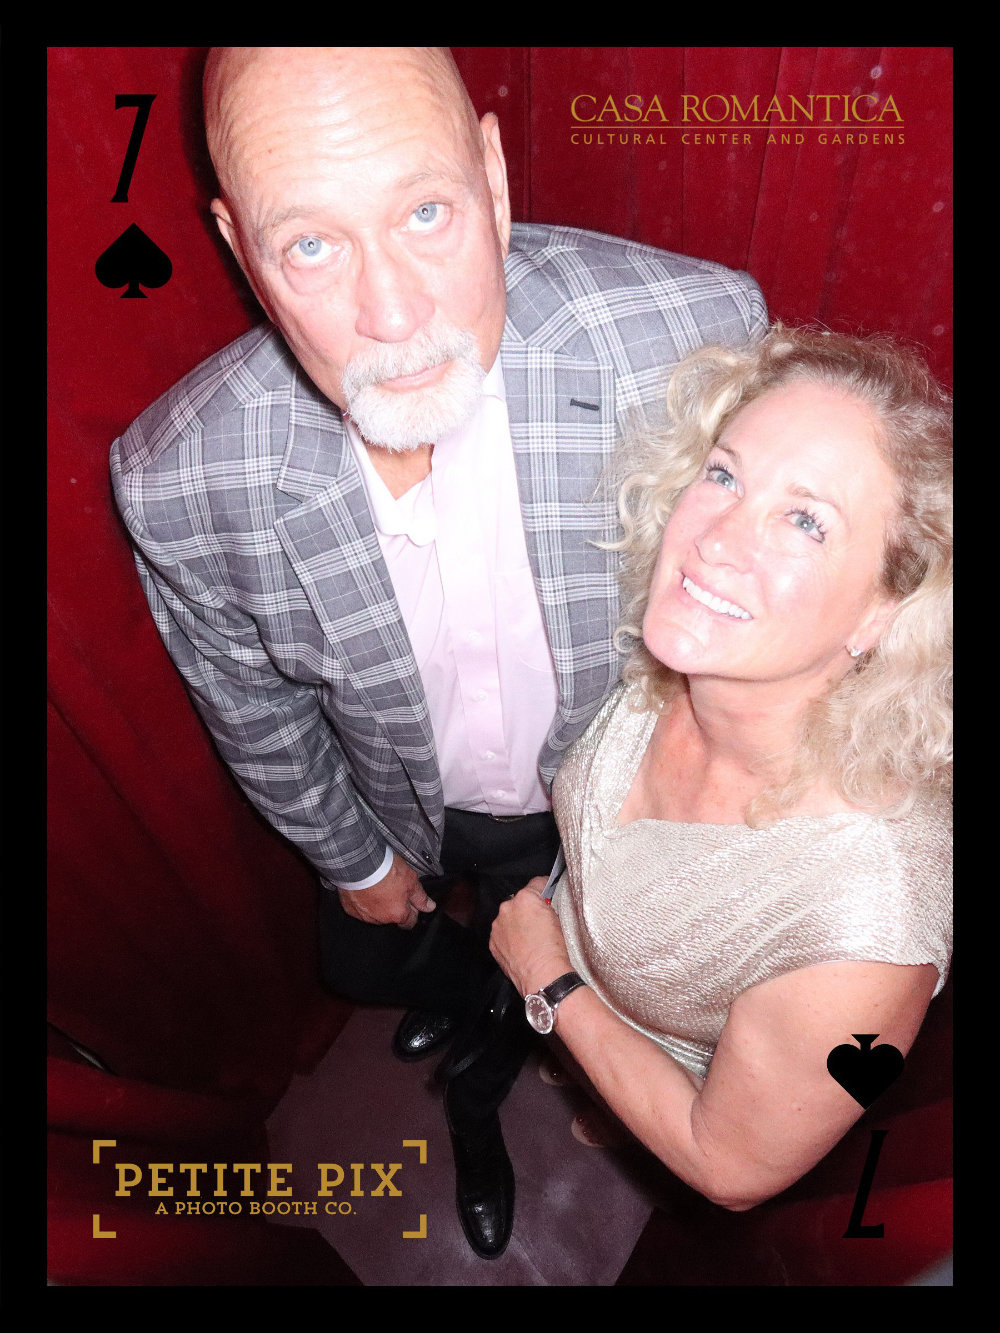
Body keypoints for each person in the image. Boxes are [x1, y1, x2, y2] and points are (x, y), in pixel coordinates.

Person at [108, 46, 768, 1257]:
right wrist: (356, 860)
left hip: (605, 806)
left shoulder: (693, 335)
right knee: (385, 962)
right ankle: (477, 1012)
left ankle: (486, 1084)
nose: (395, 314)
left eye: (425, 212)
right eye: (312, 244)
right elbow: (249, 704)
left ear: (494, 178)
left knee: (556, 978)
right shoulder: (184, 479)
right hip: (398, 808)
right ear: (240, 247)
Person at [490, 323, 952, 1209]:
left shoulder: (869, 927)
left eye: (806, 521)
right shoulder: (692, 654)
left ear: (884, 612)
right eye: (725, 474)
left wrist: (549, 984)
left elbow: (731, 1169)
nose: (716, 540)